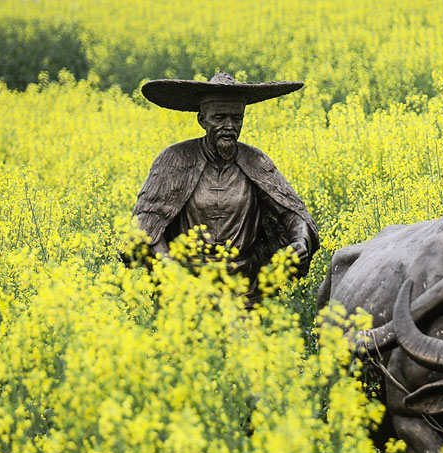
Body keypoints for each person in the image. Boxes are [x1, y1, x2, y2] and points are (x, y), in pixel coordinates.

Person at [129, 71, 319, 303]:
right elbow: (146, 226)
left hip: (245, 290)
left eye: (236, 118)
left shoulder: (255, 161)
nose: (229, 126)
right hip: (186, 294)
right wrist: (172, 271)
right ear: (202, 120)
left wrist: (300, 241)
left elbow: (291, 213)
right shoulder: (175, 159)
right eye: (219, 117)